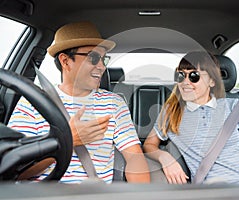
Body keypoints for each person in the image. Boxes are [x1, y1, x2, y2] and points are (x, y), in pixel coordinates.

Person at [8, 21, 150, 184]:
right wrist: (66, 141)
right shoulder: (32, 103)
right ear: (66, 61)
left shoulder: (114, 103)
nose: (102, 67)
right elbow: (15, 172)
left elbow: (135, 160)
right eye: (94, 58)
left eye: (104, 59)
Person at [143, 51, 239, 185]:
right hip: (208, 192)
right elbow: (149, 144)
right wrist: (165, 158)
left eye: (194, 76)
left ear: (212, 81)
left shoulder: (234, 107)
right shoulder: (172, 112)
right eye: (181, 75)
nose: (185, 82)